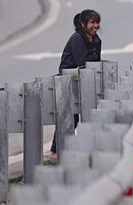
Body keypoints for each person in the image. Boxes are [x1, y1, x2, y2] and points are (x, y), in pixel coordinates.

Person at [49, 9, 102, 161]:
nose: (96, 26)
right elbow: (82, 62)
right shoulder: (77, 39)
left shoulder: (95, 39)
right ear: (83, 24)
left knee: (77, 116)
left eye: (97, 22)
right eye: (92, 22)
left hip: (83, 81)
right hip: (67, 82)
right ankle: (56, 151)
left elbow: (95, 63)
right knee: (68, 117)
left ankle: (64, 150)